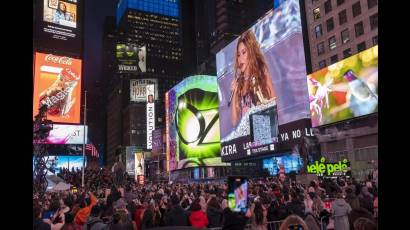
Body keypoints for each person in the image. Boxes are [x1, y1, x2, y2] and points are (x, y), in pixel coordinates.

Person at [230, 29, 276, 127]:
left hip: (262, 130)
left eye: (244, 52)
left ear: (251, 53)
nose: (240, 58)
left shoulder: (262, 73)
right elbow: (234, 122)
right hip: (245, 135)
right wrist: (234, 92)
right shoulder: (240, 83)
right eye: (238, 55)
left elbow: (273, 104)